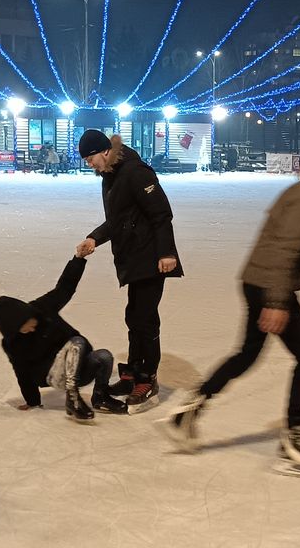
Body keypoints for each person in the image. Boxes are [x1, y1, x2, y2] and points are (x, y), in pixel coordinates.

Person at [158, 148, 300, 480]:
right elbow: (287, 248)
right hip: (269, 286)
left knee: (247, 355)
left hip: (260, 282)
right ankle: (292, 444)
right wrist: (277, 302)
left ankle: (187, 412)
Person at [76, 131, 183, 413]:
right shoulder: (111, 175)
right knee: (134, 316)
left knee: (145, 318)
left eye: (90, 158)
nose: (89, 164)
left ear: (105, 152)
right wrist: (94, 238)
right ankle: (133, 373)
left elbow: (161, 213)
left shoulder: (135, 172)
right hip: (133, 257)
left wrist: (167, 253)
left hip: (151, 256)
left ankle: (147, 379)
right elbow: (118, 220)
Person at [0, 255, 128, 421]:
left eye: (26, 324)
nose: (28, 329)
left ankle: (100, 397)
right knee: (77, 342)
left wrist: (79, 259)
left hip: (76, 368)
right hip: (53, 375)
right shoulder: (13, 343)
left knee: (103, 356)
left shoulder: (43, 307)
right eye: (21, 330)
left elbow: (65, 288)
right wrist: (32, 402)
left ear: (27, 314)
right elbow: (22, 373)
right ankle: (72, 398)